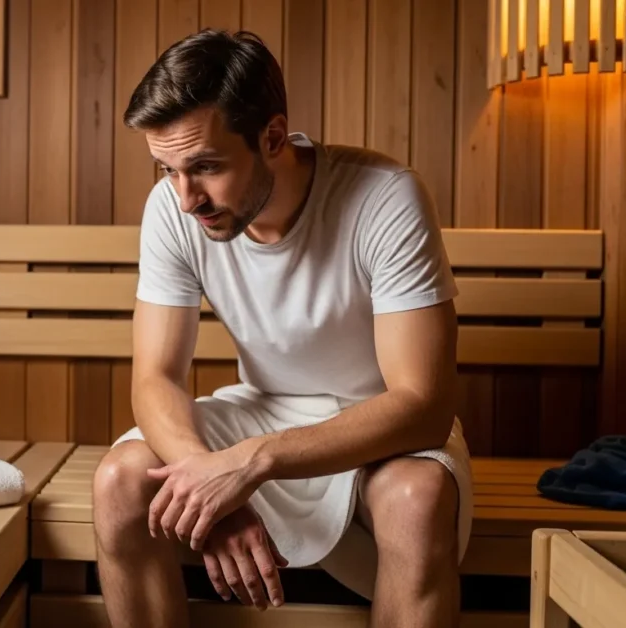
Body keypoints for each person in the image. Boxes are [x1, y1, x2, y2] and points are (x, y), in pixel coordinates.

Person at [92, 29, 473, 628]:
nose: (187, 198)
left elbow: (423, 404)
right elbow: (155, 378)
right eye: (165, 169)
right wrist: (204, 485)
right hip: (264, 407)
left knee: (416, 502)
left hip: (376, 422)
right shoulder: (173, 207)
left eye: (206, 167)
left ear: (272, 137)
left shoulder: (384, 197)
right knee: (119, 482)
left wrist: (247, 466)